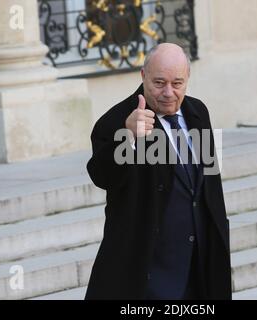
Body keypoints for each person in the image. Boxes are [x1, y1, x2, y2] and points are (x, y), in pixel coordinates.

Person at [84, 43, 231, 300]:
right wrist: (127, 137)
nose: (168, 93)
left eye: (177, 84)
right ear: (143, 77)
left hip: (199, 269)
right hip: (147, 276)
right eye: (159, 83)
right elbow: (101, 176)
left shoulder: (198, 112)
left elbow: (208, 187)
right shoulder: (118, 120)